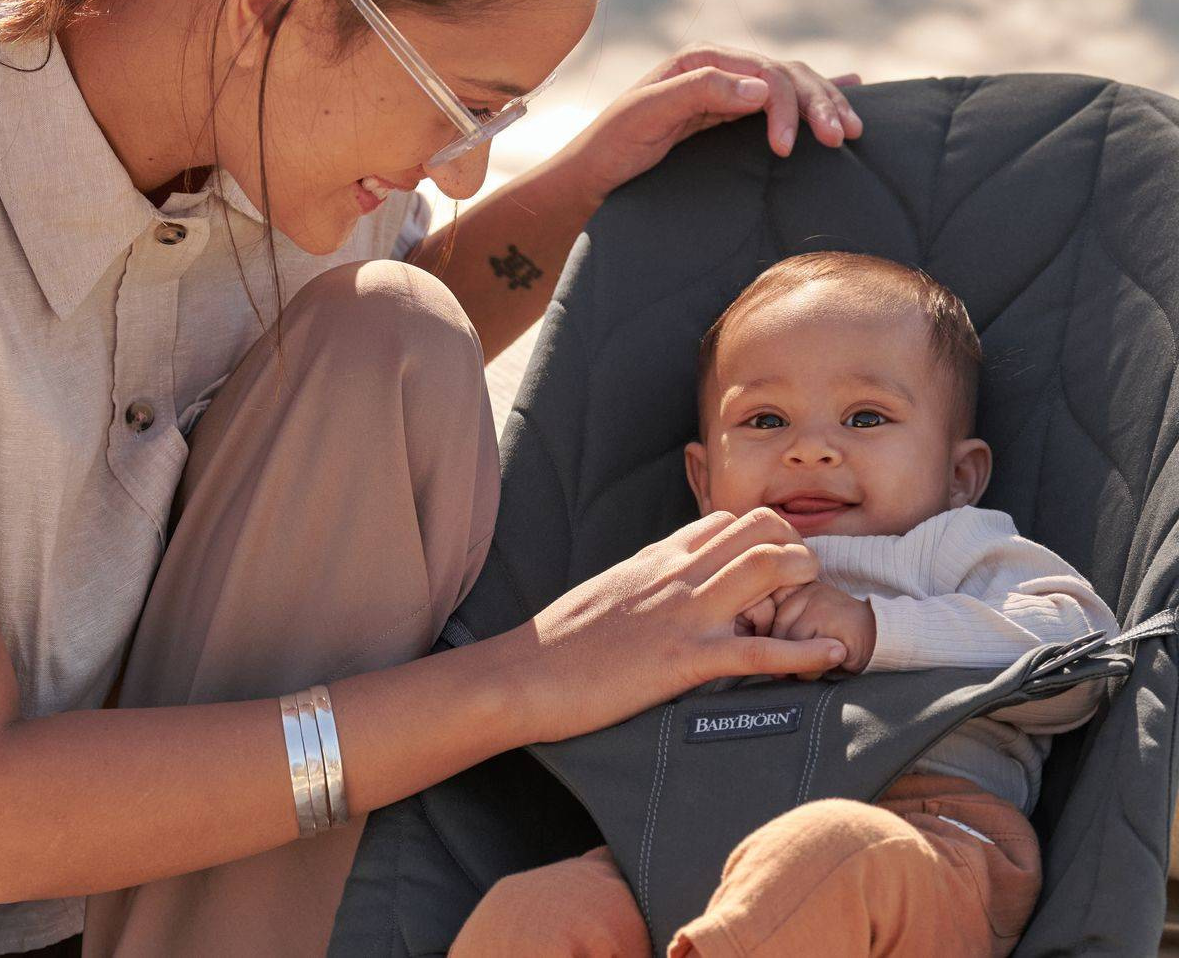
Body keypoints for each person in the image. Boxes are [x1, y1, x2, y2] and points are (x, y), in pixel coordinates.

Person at [0, 0, 866, 954]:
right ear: (270, 7)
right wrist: (526, 678)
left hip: (117, 867)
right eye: (463, 101)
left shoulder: (257, 103)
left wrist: (589, 182)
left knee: (395, 336)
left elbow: (361, 366)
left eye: (500, 117)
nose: (465, 158)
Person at [452, 252, 1119, 957]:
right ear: (704, 480)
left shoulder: (951, 547)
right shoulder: (689, 573)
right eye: (766, 420)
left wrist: (877, 630)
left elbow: (1083, 653)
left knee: (825, 854)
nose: (810, 449)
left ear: (959, 476)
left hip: (921, 832)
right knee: (534, 910)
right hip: (681, 841)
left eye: (865, 417)